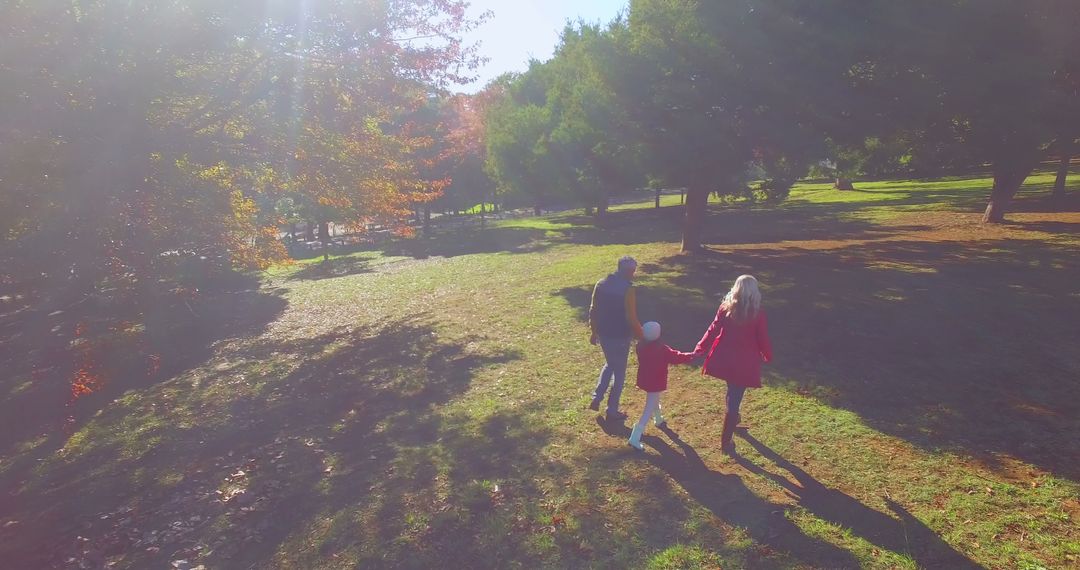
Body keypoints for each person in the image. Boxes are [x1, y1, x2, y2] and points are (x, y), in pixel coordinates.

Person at [694, 275, 773, 455]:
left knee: (733, 392)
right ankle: (726, 441)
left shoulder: (725, 309)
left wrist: (701, 347)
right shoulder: (757, 314)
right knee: (735, 397)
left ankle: (734, 418)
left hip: (725, 358)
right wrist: (767, 355)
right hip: (744, 363)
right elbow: (762, 339)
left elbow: (712, 329)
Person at [589, 255, 645, 422]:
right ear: (627, 271)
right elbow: (631, 317)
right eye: (632, 271)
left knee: (610, 363)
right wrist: (642, 336)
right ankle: (612, 410)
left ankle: (597, 396)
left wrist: (593, 331)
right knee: (619, 373)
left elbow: (593, 309)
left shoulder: (601, 283)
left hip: (604, 334)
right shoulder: (628, 289)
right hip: (620, 336)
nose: (633, 274)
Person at [628, 321, 695, 450]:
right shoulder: (661, 349)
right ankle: (635, 437)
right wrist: (690, 356)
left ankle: (658, 419)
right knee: (649, 408)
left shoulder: (640, 346)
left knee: (654, 399)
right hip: (656, 381)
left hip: (645, 379)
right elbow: (676, 357)